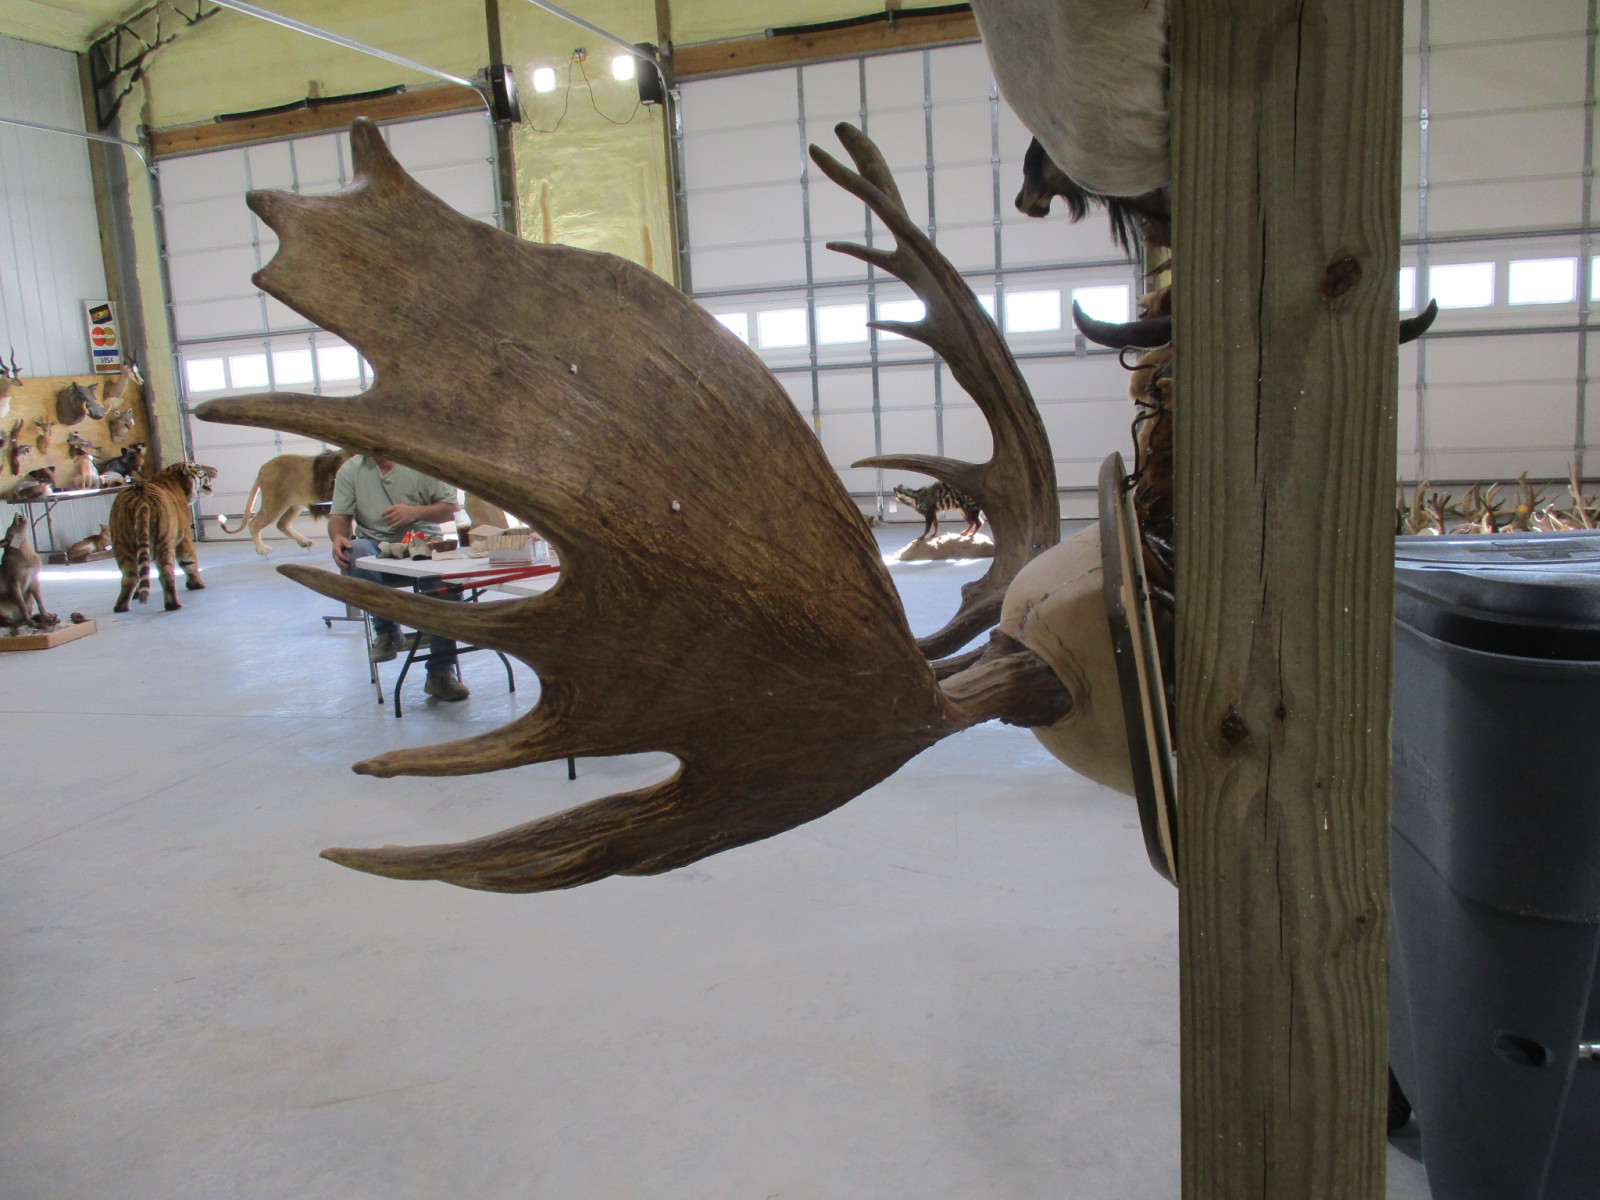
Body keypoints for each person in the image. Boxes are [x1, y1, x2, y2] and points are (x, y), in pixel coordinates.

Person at [328, 454, 470, 702]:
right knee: (355, 553)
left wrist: (415, 512)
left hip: (423, 540)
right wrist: (338, 537)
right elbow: (339, 515)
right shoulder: (351, 469)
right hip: (374, 544)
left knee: (445, 582)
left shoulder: (423, 461)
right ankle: (387, 631)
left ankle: (441, 672)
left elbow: (451, 508)